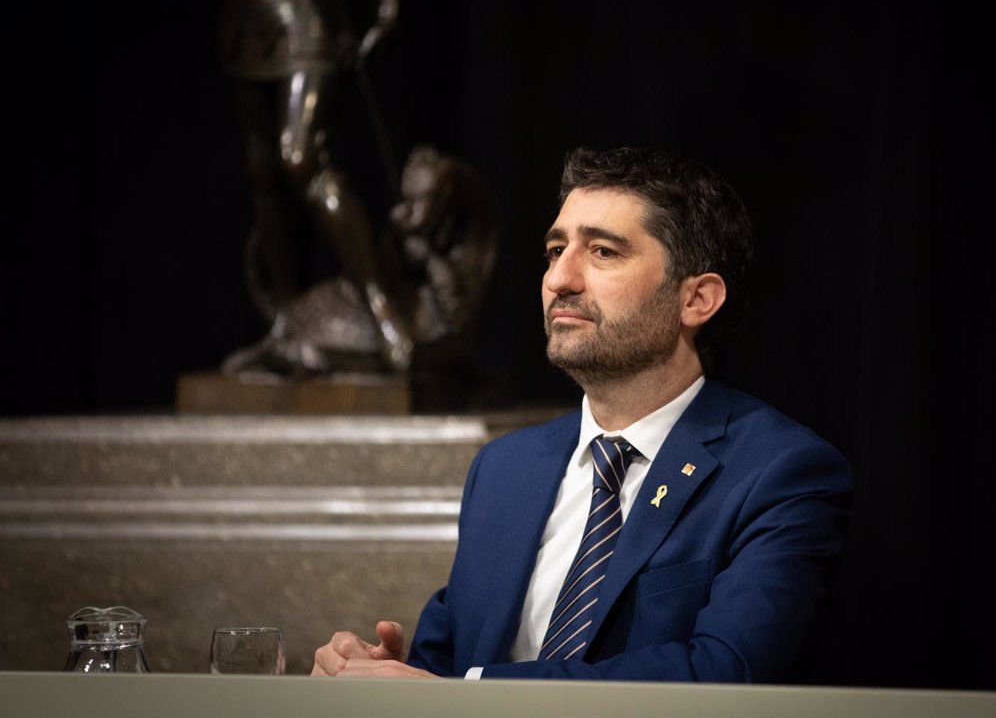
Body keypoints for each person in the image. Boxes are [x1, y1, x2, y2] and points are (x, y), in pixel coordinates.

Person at [311, 146, 852, 682]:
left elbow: (724, 671)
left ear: (697, 300)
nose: (559, 280)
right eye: (554, 249)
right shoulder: (503, 469)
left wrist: (476, 693)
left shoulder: (780, 473)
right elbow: (443, 668)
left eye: (603, 253)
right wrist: (385, 676)